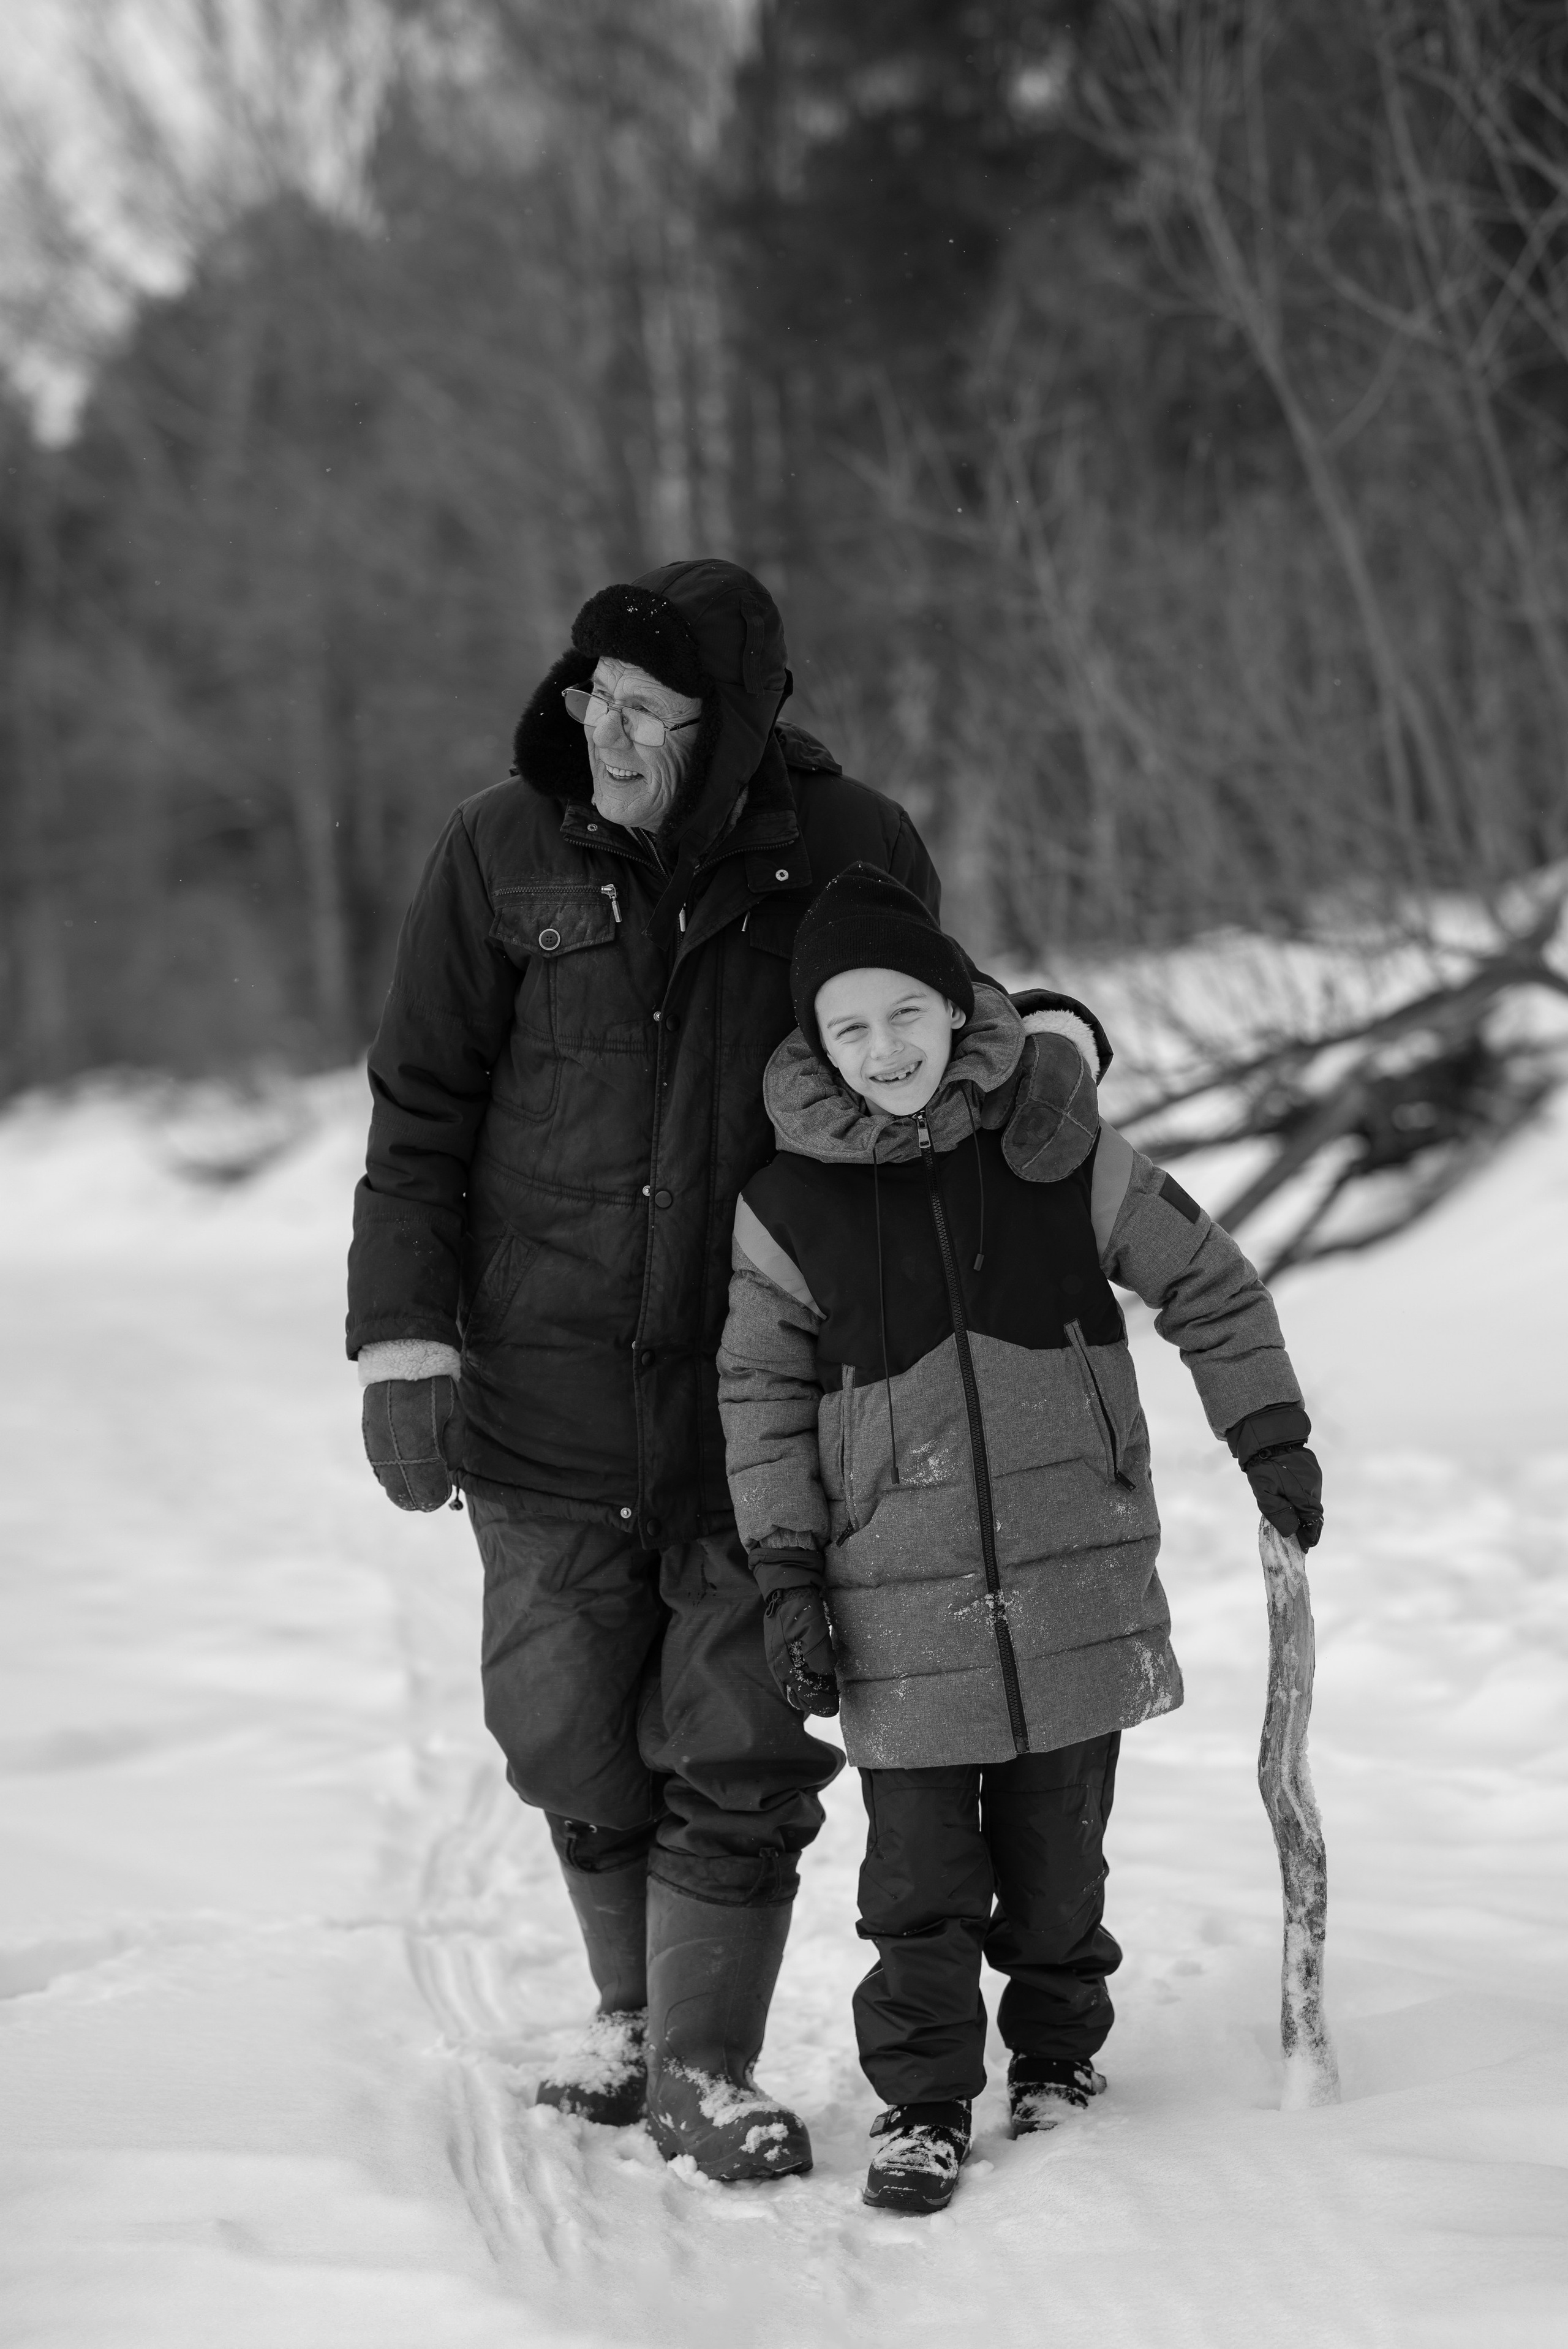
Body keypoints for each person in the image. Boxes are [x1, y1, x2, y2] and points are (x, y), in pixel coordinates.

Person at [347, 564, 943, 2183]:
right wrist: (405, 1344)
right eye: (590, 698)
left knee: (743, 1740)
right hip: (544, 1387)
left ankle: (696, 2060)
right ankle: (625, 2012)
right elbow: (422, 1110)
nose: (602, 735)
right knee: (562, 1728)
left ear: (735, 728)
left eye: (647, 716)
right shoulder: (499, 849)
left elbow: (918, 1073)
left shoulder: (853, 850)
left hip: (766, 1400)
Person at [717, 865, 1324, 2214]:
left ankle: (1056, 2056)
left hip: (1070, 1572)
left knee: (1058, 1859)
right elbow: (755, 1398)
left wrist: (1266, 1431)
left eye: (903, 1013)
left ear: (952, 1003)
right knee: (917, 1884)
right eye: (847, 1030)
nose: (883, 1050)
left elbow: (1207, 1282)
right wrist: (786, 1569)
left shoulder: (1054, 1146)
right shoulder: (787, 1206)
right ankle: (923, 2103)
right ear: (815, 1046)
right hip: (895, 1594)